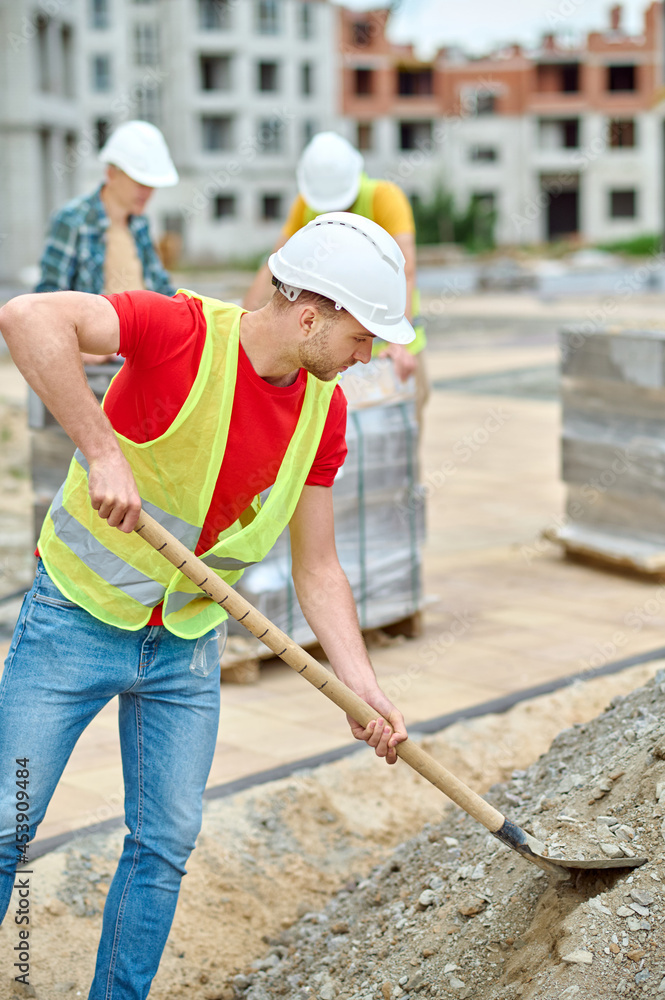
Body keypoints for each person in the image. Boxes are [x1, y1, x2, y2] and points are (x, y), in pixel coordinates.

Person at [0, 212, 413, 999]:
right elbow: (27, 318)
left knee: (163, 845)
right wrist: (101, 448)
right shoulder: (179, 330)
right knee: (6, 824)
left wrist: (358, 683)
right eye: (363, 335)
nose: (373, 354)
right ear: (308, 312)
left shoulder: (323, 411)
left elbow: (318, 566)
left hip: (185, 645)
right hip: (75, 620)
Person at [244, 131, 428, 420]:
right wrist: (245, 324)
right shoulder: (308, 205)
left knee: (395, 429)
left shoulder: (382, 197)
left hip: (389, 345)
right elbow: (274, 265)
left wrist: (399, 345)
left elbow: (406, 270)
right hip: (334, 348)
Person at [35, 119, 178, 363]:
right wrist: (83, 352)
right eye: (139, 182)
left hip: (143, 353)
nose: (148, 191)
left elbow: (163, 291)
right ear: (111, 174)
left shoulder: (140, 224)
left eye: (151, 184)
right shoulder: (73, 220)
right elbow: (46, 302)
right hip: (101, 363)